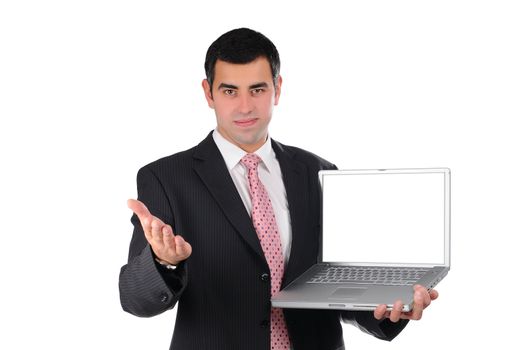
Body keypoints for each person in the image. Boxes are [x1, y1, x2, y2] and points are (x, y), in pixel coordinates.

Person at [119, 27, 438, 350]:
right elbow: (134, 299)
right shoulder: (167, 178)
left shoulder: (320, 172)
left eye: (257, 90)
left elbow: (340, 292)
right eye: (230, 91)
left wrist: (391, 307)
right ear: (208, 93)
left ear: (277, 89)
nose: (245, 107)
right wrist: (164, 262)